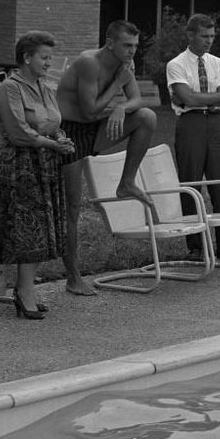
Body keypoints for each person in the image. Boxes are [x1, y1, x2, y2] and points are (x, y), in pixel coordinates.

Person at [56, 19, 159, 295]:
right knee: (73, 207)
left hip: (97, 128)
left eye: (136, 46)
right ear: (110, 43)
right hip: (68, 133)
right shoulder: (88, 62)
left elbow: (138, 100)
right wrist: (118, 85)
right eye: (127, 45)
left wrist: (122, 107)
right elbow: (88, 112)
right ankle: (73, 277)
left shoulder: (124, 65)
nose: (132, 51)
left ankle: (126, 182)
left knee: (146, 118)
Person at [0, 31, 77, 319]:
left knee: (43, 227)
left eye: (50, 57)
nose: (49, 63)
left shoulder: (45, 87)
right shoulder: (9, 89)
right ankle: (24, 292)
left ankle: (26, 289)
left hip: (46, 162)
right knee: (27, 229)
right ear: (27, 58)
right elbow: (18, 132)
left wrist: (61, 138)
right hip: (20, 165)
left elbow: (52, 122)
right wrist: (53, 143)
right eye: (44, 57)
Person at [165, 14, 220, 263]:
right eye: (204, 36)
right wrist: (208, 98)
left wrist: (197, 97)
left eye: (212, 36)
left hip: (215, 124)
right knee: (191, 182)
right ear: (191, 35)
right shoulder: (176, 64)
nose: (209, 41)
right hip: (191, 124)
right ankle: (195, 246)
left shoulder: (218, 63)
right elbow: (188, 100)